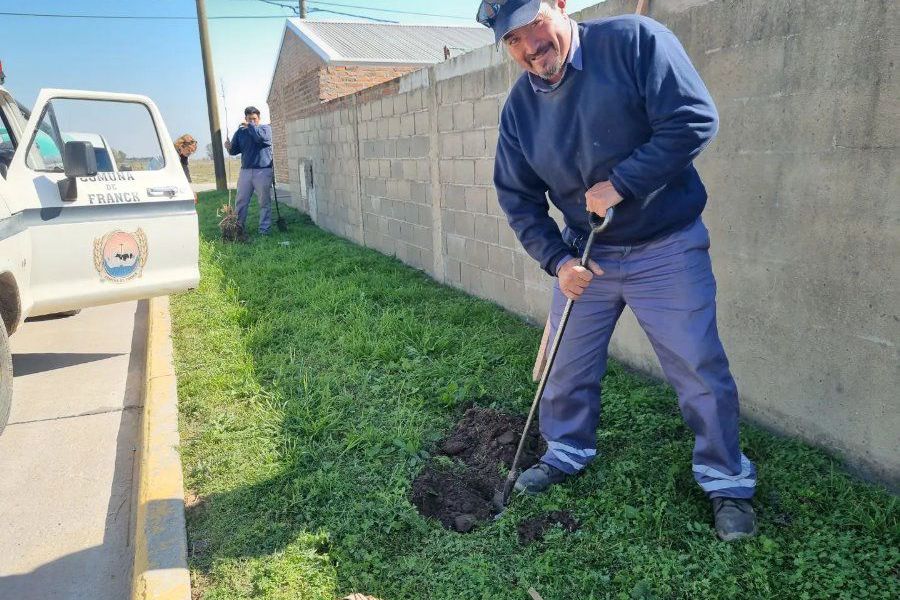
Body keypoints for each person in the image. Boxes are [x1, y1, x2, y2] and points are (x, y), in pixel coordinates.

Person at [478, 0, 757, 541]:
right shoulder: (519, 111)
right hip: (587, 257)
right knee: (566, 368)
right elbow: (517, 197)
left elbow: (693, 118)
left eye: (533, 24)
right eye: (512, 40)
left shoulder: (635, 41)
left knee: (698, 367)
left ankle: (726, 480)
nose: (529, 47)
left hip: (666, 247)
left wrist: (623, 182)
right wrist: (557, 260)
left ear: (559, 5)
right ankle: (566, 450)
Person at [224, 106, 274, 237]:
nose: (252, 121)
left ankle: (264, 230)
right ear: (245, 118)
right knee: (241, 201)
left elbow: (259, 139)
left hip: (263, 171)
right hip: (245, 171)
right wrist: (229, 148)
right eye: (249, 119)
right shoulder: (240, 132)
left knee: (264, 202)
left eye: (254, 119)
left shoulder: (265, 129)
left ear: (259, 118)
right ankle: (238, 229)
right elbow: (234, 151)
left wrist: (250, 127)